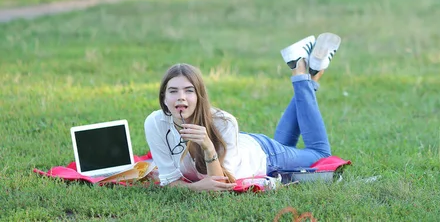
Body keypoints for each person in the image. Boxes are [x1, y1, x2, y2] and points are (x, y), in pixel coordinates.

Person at [144, 33, 342, 192]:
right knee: (290, 145)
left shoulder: (223, 122)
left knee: (320, 154)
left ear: (200, 96)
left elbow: (221, 185)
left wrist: (208, 147)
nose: (181, 97)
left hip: (266, 156)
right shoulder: (155, 123)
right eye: (173, 91)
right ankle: (312, 74)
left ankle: (300, 68)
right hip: (242, 147)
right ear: (163, 97)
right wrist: (197, 188)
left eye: (189, 90)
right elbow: (170, 181)